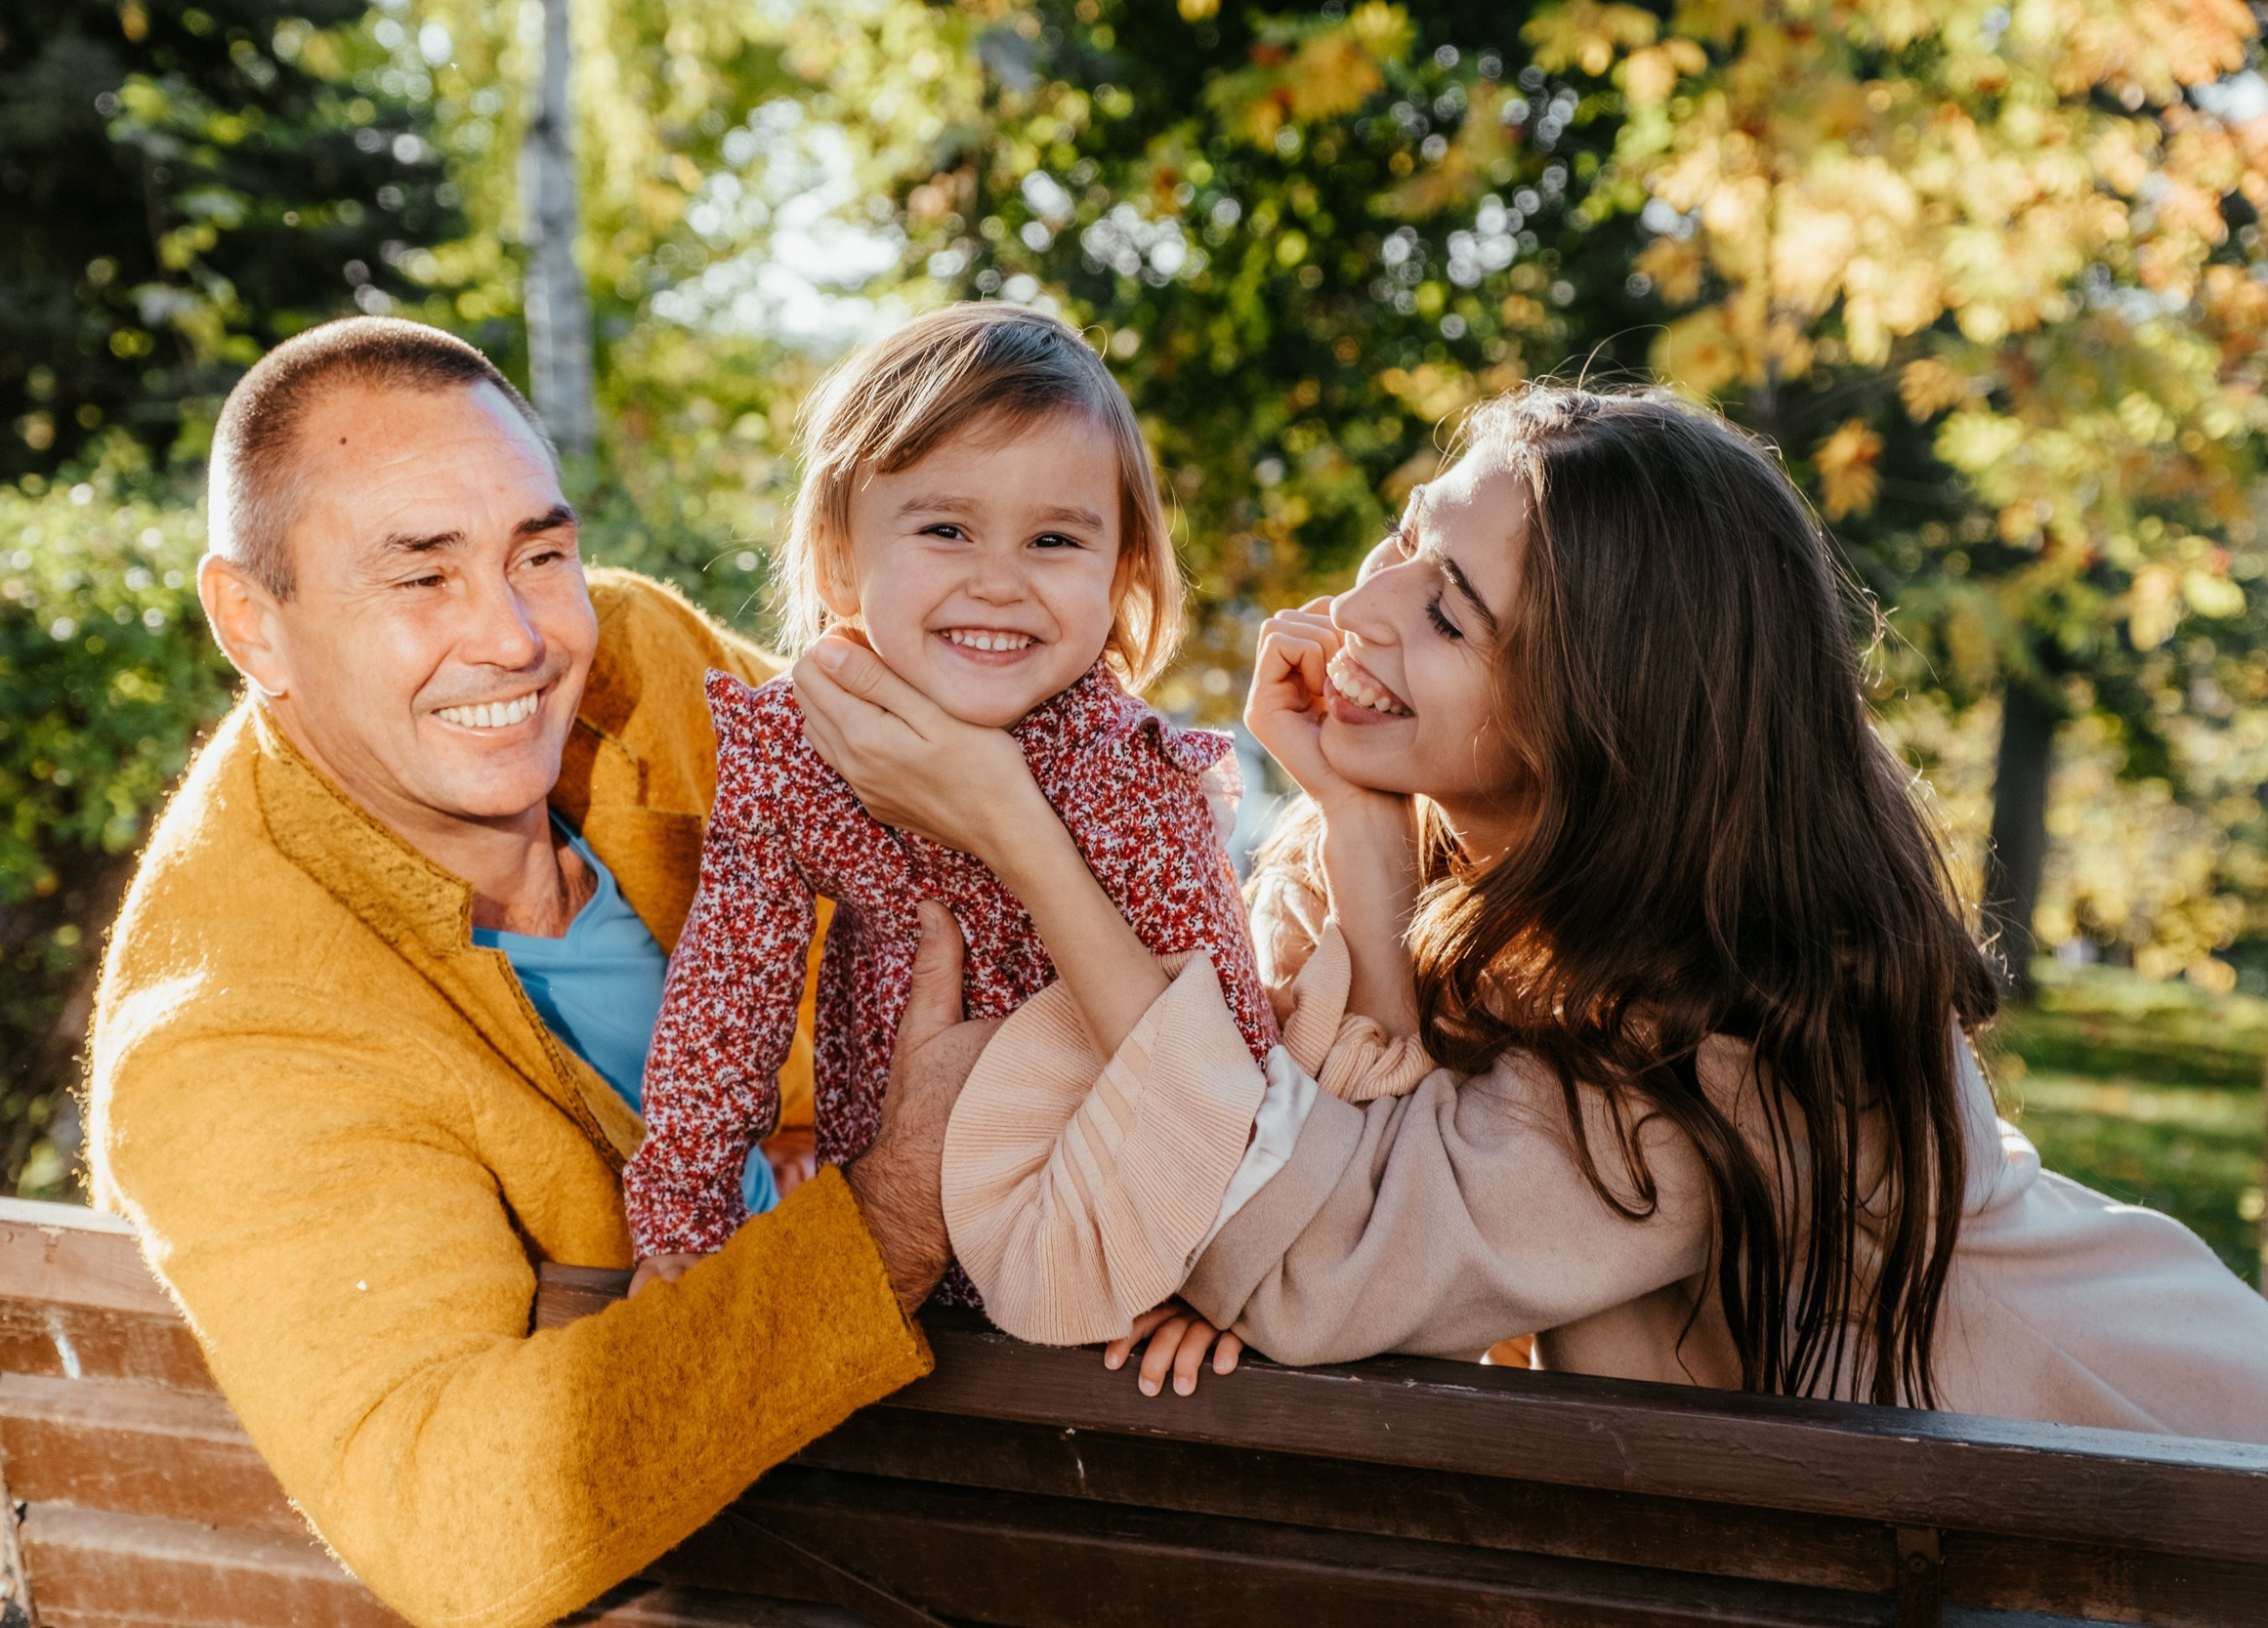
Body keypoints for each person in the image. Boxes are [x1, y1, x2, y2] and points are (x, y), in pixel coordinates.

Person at [795, 381, 2268, 1441]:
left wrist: (1017, 828)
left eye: (1447, 613)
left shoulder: (1740, 1032)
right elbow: (1263, 1167)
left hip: (2143, 1487)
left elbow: (1297, 1245)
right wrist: (1366, 859)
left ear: (1608, 718)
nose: (1363, 614)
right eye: (1406, 543)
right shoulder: (1372, 850)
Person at [84, 315, 977, 1628]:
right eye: (420, 577)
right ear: (252, 623)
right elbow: (455, 1510)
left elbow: (951, 827)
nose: (515, 637)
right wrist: (895, 1211)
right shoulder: (238, 1024)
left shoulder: (641, 672)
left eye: (540, 553)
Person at [622, 304, 1280, 1338]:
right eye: (945, 528)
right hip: (901, 1250)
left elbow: (1224, 1038)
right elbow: (728, 988)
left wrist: (1219, 1280)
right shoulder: (798, 746)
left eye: (1054, 539)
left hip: (1105, 1256)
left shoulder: (1128, 774)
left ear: (1119, 578)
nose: (1000, 579)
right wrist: (682, 1224)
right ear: (839, 560)